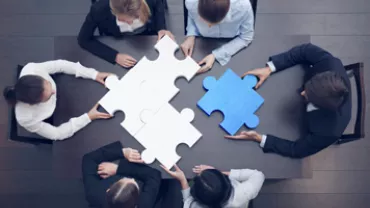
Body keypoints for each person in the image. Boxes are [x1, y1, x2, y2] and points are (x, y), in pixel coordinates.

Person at [226, 43, 352, 158]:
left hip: (300, 125)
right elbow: (305, 50)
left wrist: (260, 138)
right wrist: (270, 68)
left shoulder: (330, 131)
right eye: (308, 87)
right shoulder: (330, 64)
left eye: (309, 96)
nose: (302, 93)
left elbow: (297, 150)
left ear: (320, 106)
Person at [3, 60, 112, 141]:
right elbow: (57, 133)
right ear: (34, 103)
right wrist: (88, 117)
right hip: (53, 115)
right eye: (48, 96)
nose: (53, 92)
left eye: (48, 84)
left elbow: (59, 65)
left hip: (66, 88)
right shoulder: (25, 118)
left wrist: (94, 74)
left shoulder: (32, 69)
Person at [78, 0, 174, 68]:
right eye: (123, 20)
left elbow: (158, 4)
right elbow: (83, 39)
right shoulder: (98, 10)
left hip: (147, 35)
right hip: (119, 41)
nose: (130, 23)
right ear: (113, 12)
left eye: (136, 17)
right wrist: (114, 56)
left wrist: (161, 28)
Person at [181, 0, 254, 74]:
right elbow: (191, 14)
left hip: (232, 41)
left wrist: (216, 55)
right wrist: (191, 35)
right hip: (202, 40)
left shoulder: (243, 6)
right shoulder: (191, 2)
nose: (209, 26)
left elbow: (246, 37)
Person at [82, 141, 161, 208]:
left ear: (108, 191)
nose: (132, 179)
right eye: (135, 183)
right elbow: (154, 175)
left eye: (121, 180)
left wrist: (122, 152)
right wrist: (118, 169)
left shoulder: (93, 194)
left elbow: (88, 159)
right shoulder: (144, 204)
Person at [162, 164, 265, 208]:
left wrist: (183, 180)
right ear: (226, 182)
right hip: (242, 203)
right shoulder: (245, 191)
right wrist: (217, 172)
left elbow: (187, 199)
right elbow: (258, 175)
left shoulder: (193, 206)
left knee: (190, 182)